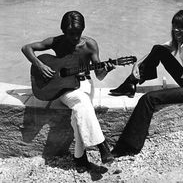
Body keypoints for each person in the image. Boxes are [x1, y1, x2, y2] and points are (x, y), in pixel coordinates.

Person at [110, 9, 183, 156]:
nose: (175, 29)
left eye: (180, 26)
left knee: (149, 98)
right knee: (158, 49)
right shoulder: (179, 41)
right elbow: (158, 49)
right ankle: (130, 84)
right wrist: (137, 64)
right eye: (174, 25)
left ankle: (129, 146)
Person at [22, 10, 115, 172]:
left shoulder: (90, 45)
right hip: (64, 87)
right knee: (82, 102)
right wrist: (40, 65)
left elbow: (99, 75)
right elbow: (26, 48)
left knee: (78, 112)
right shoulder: (57, 42)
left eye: (78, 33)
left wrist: (106, 69)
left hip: (85, 83)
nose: (75, 37)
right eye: (71, 34)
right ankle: (102, 145)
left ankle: (79, 158)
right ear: (63, 31)